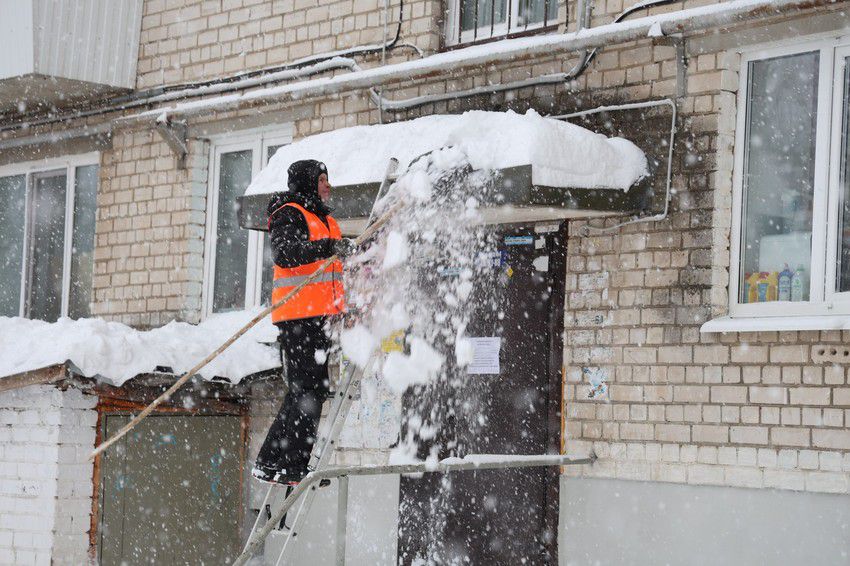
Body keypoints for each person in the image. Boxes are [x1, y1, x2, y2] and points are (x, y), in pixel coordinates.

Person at [252, 159, 357, 485]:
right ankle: (292, 466)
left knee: (305, 391)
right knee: (309, 391)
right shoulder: (289, 213)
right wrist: (328, 247)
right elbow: (285, 254)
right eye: (322, 180)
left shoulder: (327, 220)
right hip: (298, 317)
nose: (328, 185)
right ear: (308, 183)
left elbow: (329, 273)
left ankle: (271, 461)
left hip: (319, 318)